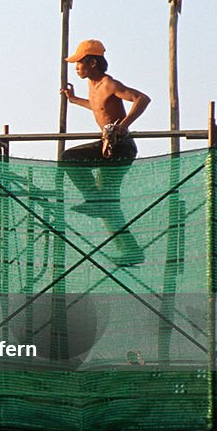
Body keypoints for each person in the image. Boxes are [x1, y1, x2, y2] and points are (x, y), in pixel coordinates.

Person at [60, 39, 150, 265]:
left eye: (79, 63)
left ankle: (95, 199)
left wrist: (123, 125)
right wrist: (73, 100)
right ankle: (131, 251)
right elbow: (98, 106)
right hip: (110, 147)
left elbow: (142, 99)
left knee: (69, 158)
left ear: (92, 62)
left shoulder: (109, 83)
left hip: (120, 147)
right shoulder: (93, 86)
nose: (76, 67)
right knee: (109, 204)